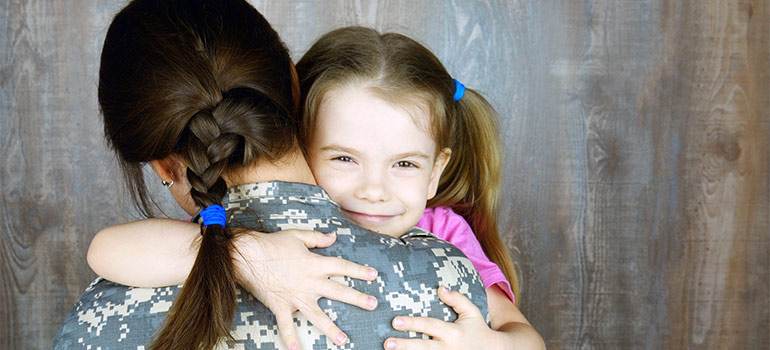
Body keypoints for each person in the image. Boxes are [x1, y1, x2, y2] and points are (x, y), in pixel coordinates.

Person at [52, 1, 487, 349]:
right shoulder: (451, 287)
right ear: (297, 93)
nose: (373, 191)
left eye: (404, 163)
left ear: (162, 164)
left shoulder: (99, 316)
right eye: (347, 159)